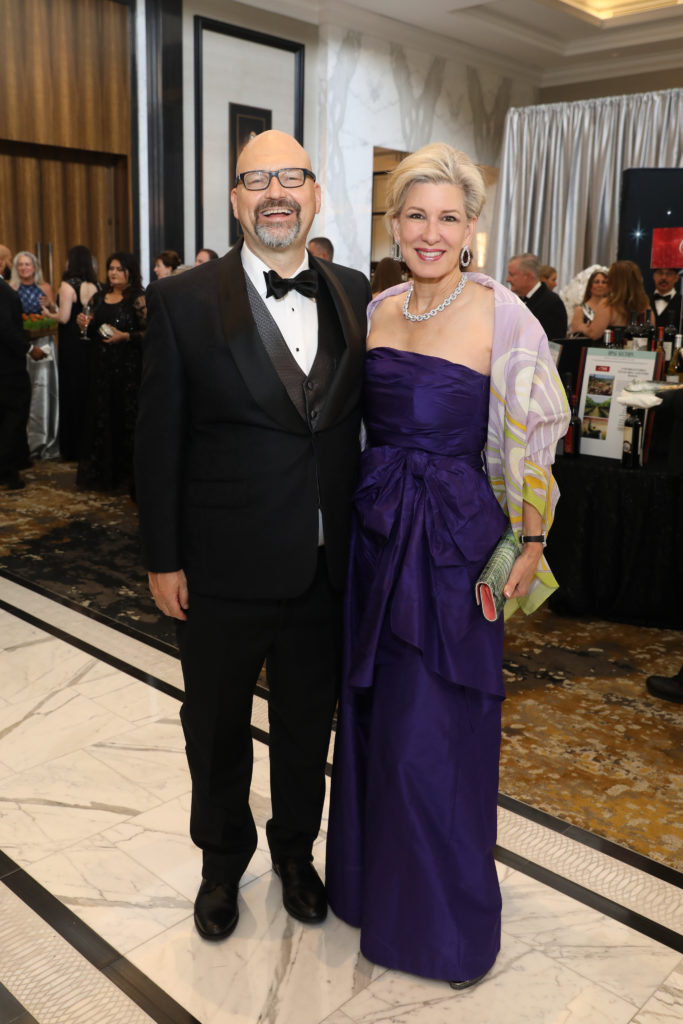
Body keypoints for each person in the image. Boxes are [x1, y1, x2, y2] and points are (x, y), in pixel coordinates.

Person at [326, 143, 568, 989]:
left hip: (454, 551)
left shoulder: (507, 317)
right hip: (373, 538)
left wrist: (529, 542)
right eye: (416, 215)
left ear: (473, 228)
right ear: (394, 225)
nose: (431, 232)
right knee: (371, 717)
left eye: (449, 218)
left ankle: (438, 925)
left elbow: (535, 446)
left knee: (434, 733)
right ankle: (368, 890)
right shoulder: (377, 307)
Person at [135, 129, 371, 941]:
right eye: (255, 180)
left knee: (310, 727)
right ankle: (220, 864)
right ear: (235, 199)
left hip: (325, 566)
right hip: (220, 568)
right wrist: (162, 557)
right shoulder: (181, 301)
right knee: (215, 729)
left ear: (315, 194)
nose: (275, 192)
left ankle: (296, 855)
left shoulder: (354, 289)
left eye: (291, 177)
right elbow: (157, 439)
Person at [76, 251, 145, 490]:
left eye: (118, 269)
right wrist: (82, 323)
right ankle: (102, 476)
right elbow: (89, 322)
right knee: (101, 418)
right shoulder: (99, 297)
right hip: (101, 368)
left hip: (128, 371)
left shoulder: (138, 299)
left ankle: (127, 477)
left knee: (124, 419)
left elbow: (152, 334)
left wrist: (125, 336)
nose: (113, 273)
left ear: (130, 272)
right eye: (111, 269)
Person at [48, 245, 100, 460]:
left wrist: (48, 313)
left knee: (71, 392)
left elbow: (64, 317)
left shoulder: (68, 285)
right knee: (87, 391)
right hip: (89, 344)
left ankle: (72, 448)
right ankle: (89, 444)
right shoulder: (97, 285)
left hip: (71, 344)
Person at [0, 277, 47, 489]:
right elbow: (6, 329)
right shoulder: (4, 291)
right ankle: (8, 471)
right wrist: (29, 349)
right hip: (8, 366)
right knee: (14, 416)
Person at [577, 260, 652, 342]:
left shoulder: (608, 305)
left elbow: (594, 334)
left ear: (615, 281)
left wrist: (583, 328)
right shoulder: (645, 306)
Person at [506, 252, 567, 339]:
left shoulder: (552, 303)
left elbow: (552, 345)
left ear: (528, 276)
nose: (507, 279)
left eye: (512, 274)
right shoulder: (515, 300)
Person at [569, 268, 609, 336]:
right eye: (596, 282)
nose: (600, 285)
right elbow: (575, 332)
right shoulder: (580, 309)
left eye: (603, 282)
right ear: (590, 286)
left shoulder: (610, 308)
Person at [650, 267, 682, 332]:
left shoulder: (682, 303)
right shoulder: (643, 301)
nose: (663, 277)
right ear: (653, 276)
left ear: (676, 277)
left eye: (669, 274)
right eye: (660, 273)